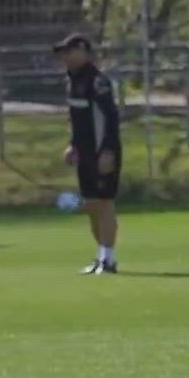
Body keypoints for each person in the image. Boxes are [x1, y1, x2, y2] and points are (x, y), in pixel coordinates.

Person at [54, 32, 121, 274]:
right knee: (94, 207)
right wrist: (73, 145)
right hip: (84, 153)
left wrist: (108, 151)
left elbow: (111, 119)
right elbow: (77, 120)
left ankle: (109, 258)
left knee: (102, 204)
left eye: (70, 51)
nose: (66, 57)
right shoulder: (71, 81)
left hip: (101, 150)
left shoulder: (97, 82)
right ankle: (101, 256)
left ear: (84, 51)